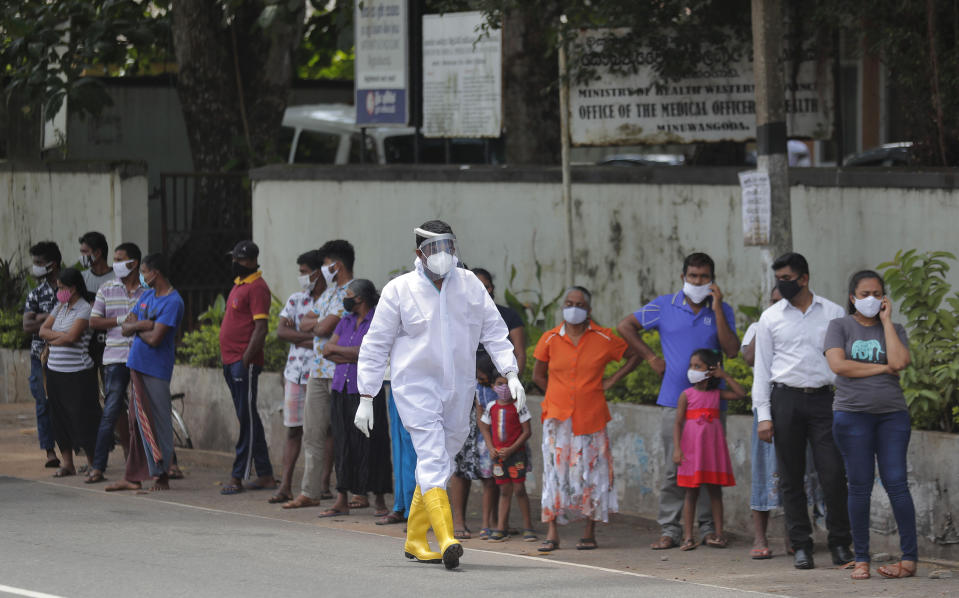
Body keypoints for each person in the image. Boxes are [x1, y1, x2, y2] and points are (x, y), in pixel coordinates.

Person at [355, 219, 524, 570]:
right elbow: (375, 345)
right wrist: (366, 395)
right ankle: (447, 538)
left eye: (449, 247)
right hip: (415, 389)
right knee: (432, 458)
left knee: (441, 460)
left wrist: (511, 373)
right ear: (419, 253)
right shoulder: (399, 290)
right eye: (435, 248)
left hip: (459, 390)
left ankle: (416, 539)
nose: (443, 255)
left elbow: (495, 333)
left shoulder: (470, 287)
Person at [617, 252, 739, 550]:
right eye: (693, 276)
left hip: (711, 403)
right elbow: (625, 326)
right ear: (683, 277)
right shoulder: (663, 306)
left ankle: (709, 529)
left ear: (713, 280)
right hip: (675, 400)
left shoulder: (722, 309)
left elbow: (732, 350)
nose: (698, 282)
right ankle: (670, 529)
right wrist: (650, 357)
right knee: (676, 466)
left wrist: (719, 309)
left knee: (709, 467)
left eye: (704, 277)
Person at [752, 252, 852, 570]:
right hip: (786, 400)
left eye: (787, 279)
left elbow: (845, 363)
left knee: (833, 473)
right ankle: (801, 546)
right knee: (790, 478)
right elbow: (762, 369)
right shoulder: (771, 318)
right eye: (778, 279)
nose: (782, 284)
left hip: (825, 400)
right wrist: (764, 416)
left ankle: (839, 543)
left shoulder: (834, 313)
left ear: (804, 279)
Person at [825, 270, 916, 580]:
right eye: (864, 294)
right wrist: (881, 369)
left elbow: (900, 361)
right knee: (860, 486)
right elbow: (838, 366)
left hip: (892, 416)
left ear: (885, 298)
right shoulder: (840, 326)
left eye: (877, 294)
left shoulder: (896, 329)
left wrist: (887, 322)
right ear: (852, 298)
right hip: (852, 416)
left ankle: (909, 558)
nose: (871, 299)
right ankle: (861, 558)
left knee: (897, 483)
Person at [533, 286, 640, 552]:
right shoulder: (549, 339)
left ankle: (589, 531)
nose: (573, 308)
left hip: (591, 417)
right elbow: (538, 375)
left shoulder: (604, 338)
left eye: (579, 304)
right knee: (555, 474)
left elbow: (634, 356)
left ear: (589, 310)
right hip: (557, 419)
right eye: (568, 303)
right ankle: (552, 531)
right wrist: (556, 396)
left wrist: (612, 379)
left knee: (592, 474)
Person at [451, 267, 527, 535]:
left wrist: (506, 385)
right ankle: (459, 521)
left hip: (498, 399)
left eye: (483, 285)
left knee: (494, 459)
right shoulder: (456, 317)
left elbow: (519, 356)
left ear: (491, 288)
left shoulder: (507, 316)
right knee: (460, 462)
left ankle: (494, 523)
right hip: (464, 398)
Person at [105, 254, 184, 492]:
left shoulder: (173, 301)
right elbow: (127, 325)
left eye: (145, 272)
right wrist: (144, 325)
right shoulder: (147, 296)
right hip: (137, 365)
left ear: (155, 273)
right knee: (136, 424)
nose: (142, 276)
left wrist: (138, 328)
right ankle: (133, 476)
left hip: (156, 369)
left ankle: (162, 474)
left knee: (158, 422)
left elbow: (156, 338)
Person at [284, 240, 353, 509]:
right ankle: (309, 492)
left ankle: (350, 492)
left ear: (336, 265)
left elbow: (325, 327)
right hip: (317, 371)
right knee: (312, 433)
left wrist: (317, 324)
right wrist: (317, 324)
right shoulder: (328, 294)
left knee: (344, 434)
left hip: (341, 371)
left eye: (325, 265)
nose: (324, 270)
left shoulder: (352, 292)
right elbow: (307, 321)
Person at [320, 279, 392, 517]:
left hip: (368, 390)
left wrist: (349, 353)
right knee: (343, 443)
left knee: (374, 442)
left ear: (360, 298)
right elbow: (326, 350)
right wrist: (354, 355)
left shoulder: (377, 321)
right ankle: (342, 498)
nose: (346, 298)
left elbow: (370, 353)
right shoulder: (345, 320)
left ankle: (379, 499)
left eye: (349, 294)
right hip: (342, 388)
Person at [673, 349, 747, 550]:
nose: (692, 370)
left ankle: (719, 534)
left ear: (711, 370)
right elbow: (678, 423)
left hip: (712, 450)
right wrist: (677, 449)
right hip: (691, 450)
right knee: (691, 493)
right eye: (691, 366)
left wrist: (725, 376)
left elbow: (741, 394)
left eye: (698, 366)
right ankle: (688, 536)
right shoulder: (686, 395)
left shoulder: (717, 394)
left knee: (715, 492)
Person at [269, 250, 327, 504]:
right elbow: (282, 331)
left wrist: (303, 336)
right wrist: (314, 338)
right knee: (293, 430)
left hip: (321, 372)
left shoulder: (331, 301)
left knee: (326, 431)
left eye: (305, 272)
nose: (301, 277)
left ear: (317, 272)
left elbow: (327, 335)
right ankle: (285, 485)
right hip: (295, 373)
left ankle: (322, 485)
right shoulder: (296, 299)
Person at [219, 240, 275, 495]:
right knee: (248, 418)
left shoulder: (257, 287)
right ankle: (265, 474)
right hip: (231, 361)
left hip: (244, 363)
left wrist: (246, 360)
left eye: (240, 260)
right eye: (234, 259)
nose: (235, 264)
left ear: (252, 261)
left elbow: (261, 328)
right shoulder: (239, 285)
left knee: (247, 421)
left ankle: (238, 475)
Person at [86, 242, 145, 484]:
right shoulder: (107, 288)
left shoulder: (147, 291)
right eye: (115, 258)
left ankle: (164, 465)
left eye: (121, 259)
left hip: (141, 357)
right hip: (114, 358)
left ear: (134, 263)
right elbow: (94, 322)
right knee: (111, 410)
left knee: (147, 412)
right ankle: (98, 467)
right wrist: (122, 320)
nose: (116, 264)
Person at [39, 267, 101, 477]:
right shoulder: (60, 307)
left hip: (77, 373)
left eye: (62, 288)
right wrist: (58, 337)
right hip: (55, 371)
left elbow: (73, 337)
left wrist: (52, 337)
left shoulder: (84, 309)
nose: (59, 292)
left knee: (82, 418)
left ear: (73, 288)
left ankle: (94, 463)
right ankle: (67, 463)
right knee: (59, 418)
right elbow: (42, 331)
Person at [742, 287, 783, 559]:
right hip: (764, 406)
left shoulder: (799, 325)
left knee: (794, 470)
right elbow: (748, 357)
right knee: (762, 468)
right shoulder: (759, 326)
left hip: (792, 402)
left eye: (781, 302)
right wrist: (766, 323)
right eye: (772, 302)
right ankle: (760, 537)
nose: (775, 306)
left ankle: (795, 535)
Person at [478, 371, 535, 543]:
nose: (504, 388)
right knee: (504, 490)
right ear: (493, 386)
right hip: (498, 457)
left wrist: (511, 449)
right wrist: (490, 447)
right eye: (500, 384)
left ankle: (528, 527)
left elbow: (527, 432)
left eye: (507, 384)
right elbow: (485, 428)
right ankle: (501, 527)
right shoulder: (491, 407)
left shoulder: (520, 406)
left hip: (516, 455)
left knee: (519, 489)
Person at [22, 241, 62, 469]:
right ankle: (50, 451)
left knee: (69, 403)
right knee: (43, 403)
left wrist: (41, 318)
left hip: (68, 356)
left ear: (51, 264)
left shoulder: (70, 289)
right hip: (40, 356)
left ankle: (76, 447)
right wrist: (53, 317)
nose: (35, 267)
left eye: (38, 263)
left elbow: (76, 318)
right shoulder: (36, 293)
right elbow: (27, 325)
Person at [451, 352, 499, 539]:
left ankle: (494, 521)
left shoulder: (494, 384)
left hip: (489, 429)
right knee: (461, 471)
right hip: (464, 424)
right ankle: (459, 520)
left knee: (492, 476)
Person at [79, 231, 114, 370]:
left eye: (84, 252)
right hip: (87, 346)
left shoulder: (117, 278)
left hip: (111, 344)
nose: (81, 256)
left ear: (98, 253)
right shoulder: (81, 278)